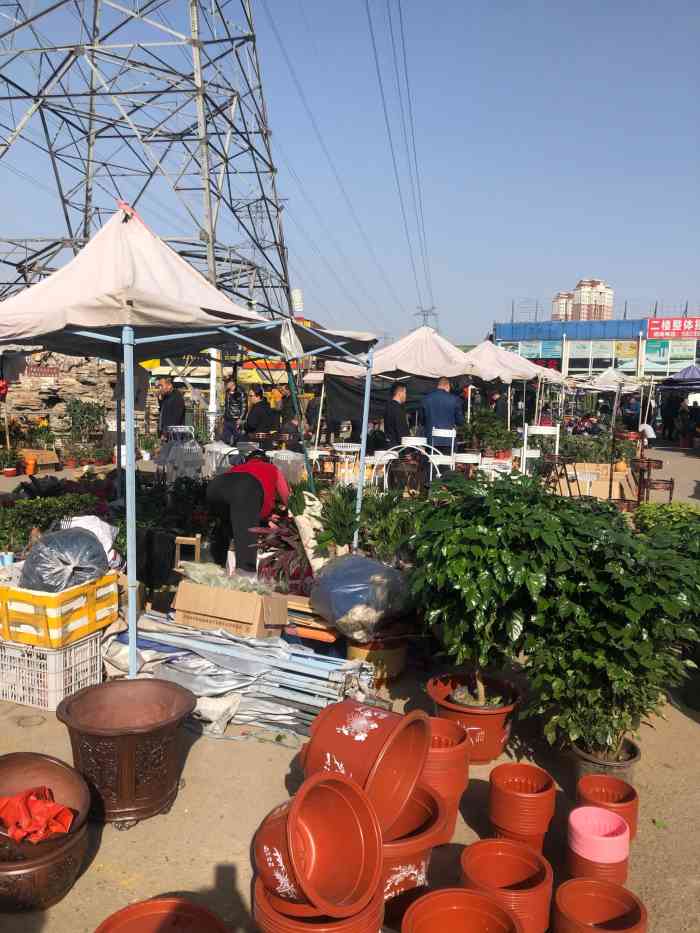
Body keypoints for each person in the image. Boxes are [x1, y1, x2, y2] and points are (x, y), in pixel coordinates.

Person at [206, 450, 289, 572]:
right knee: (246, 543)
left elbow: (235, 499)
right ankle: (245, 581)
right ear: (266, 460)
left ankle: (216, 567)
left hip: (215, 486)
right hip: (244, 489)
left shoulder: (238, 467)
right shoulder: (272, 468)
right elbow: (287, 497)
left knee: (223, 528)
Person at [421, 377, 464, 448]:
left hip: (431, 441)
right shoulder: (455, 399)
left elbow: (422, 420)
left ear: (438, 385)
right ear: (448, 386)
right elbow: (460, 421)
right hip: (449, 442)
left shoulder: (426, 399)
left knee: (431, 459)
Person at [222, 374, 246, 445]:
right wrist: (224, 416)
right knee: (225, 440)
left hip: (236, 420)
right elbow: (226, 405)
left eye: (227, 382)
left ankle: (237, 454)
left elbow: (244, 406)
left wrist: (240, 419)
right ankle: (227, 455)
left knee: (237, 440)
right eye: (225, 382)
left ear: (232, 382)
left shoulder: (240, 392)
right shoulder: (227, 392)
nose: (225, 383)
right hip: (227, 419)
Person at [383, 383, 409, 448]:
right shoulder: (398, 409)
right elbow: (401, 430)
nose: (406, 395)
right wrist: (407, 450)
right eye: (405, 393)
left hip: (390, 444)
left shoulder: (388, 406)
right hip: (398, 447)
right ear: (400, 393)